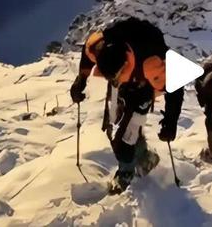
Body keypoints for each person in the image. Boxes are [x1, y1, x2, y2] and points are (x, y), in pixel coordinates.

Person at [70, 17, 184, 193]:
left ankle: (126, 172)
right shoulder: (98, 46)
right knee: (116, 126)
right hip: (124, 84)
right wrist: (81, 81)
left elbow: (175, 87)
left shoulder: (151, 64)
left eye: (115, 75)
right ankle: (144, 158)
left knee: (124, 138)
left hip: (143, 87)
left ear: (124, 65)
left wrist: (171, 120)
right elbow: (87, 55)